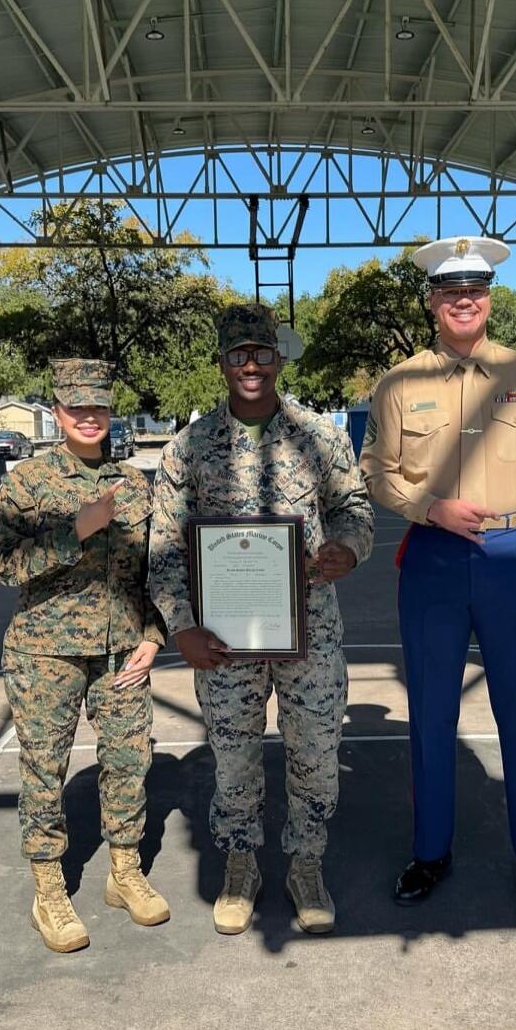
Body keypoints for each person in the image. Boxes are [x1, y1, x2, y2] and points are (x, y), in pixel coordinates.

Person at [360, 236, 516, 920]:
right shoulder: (400, 382)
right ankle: (430, 851)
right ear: (432, 301)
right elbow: (375, 470)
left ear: (489, 298)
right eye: (450, 291)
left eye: (475, 291)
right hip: (432, 557)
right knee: (430, 712)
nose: (464, 301)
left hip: (513, 556)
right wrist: (427, 506)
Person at [149, 304, 374, 936]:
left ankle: (306, 862)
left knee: (315, 751)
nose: (251, 366)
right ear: (221, 363)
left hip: (310, 632)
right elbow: (163, 546)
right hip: (223, 638)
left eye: (262, 353)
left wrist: (347, 550)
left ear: (279, 358)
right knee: (234, 753)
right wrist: (180, 626)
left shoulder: (319, 437)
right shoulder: (188, 448)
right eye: (237, 355)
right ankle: (240, 861)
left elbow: (354, 508)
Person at [0, 359, 168, 954]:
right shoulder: (27, 483)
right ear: (59, 412)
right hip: (47, 654)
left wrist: (154, 635)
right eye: (76, 409)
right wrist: (78, 531)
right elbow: (3, 566)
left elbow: (156, 572)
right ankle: (49, 888)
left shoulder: (136, 484)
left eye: (98, 409)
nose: (89, 418)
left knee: (129, 759)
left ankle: (124, 871)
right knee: (45, 768)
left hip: (122, 651)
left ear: (110, 412)